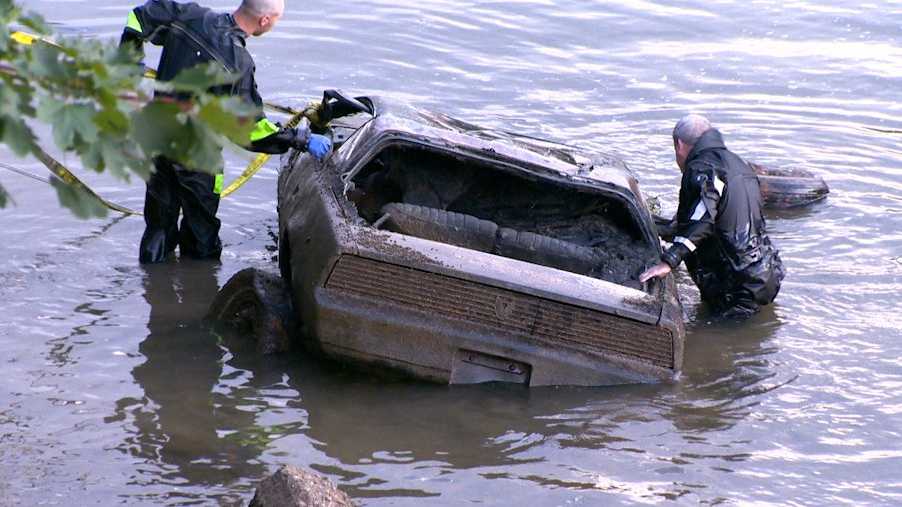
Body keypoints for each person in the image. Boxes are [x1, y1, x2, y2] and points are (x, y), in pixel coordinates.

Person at [120, 0, 333, 263]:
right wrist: (302, 139)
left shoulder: (188, 15)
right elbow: (252, 133)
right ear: (264, 21)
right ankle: (200, 291)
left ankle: (152, 286)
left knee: (158, 226)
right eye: (276, 20)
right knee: (202, 236)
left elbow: (138, 18)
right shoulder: (238, 64)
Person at [639, 115, 785, 319]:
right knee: (745, 339)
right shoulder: (739, 165)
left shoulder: (702, 168)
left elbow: (703, 220)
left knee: (720, 342)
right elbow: (721, 220)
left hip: (733, 287)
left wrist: (668, 261)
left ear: (679, 145)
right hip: (764, 274)